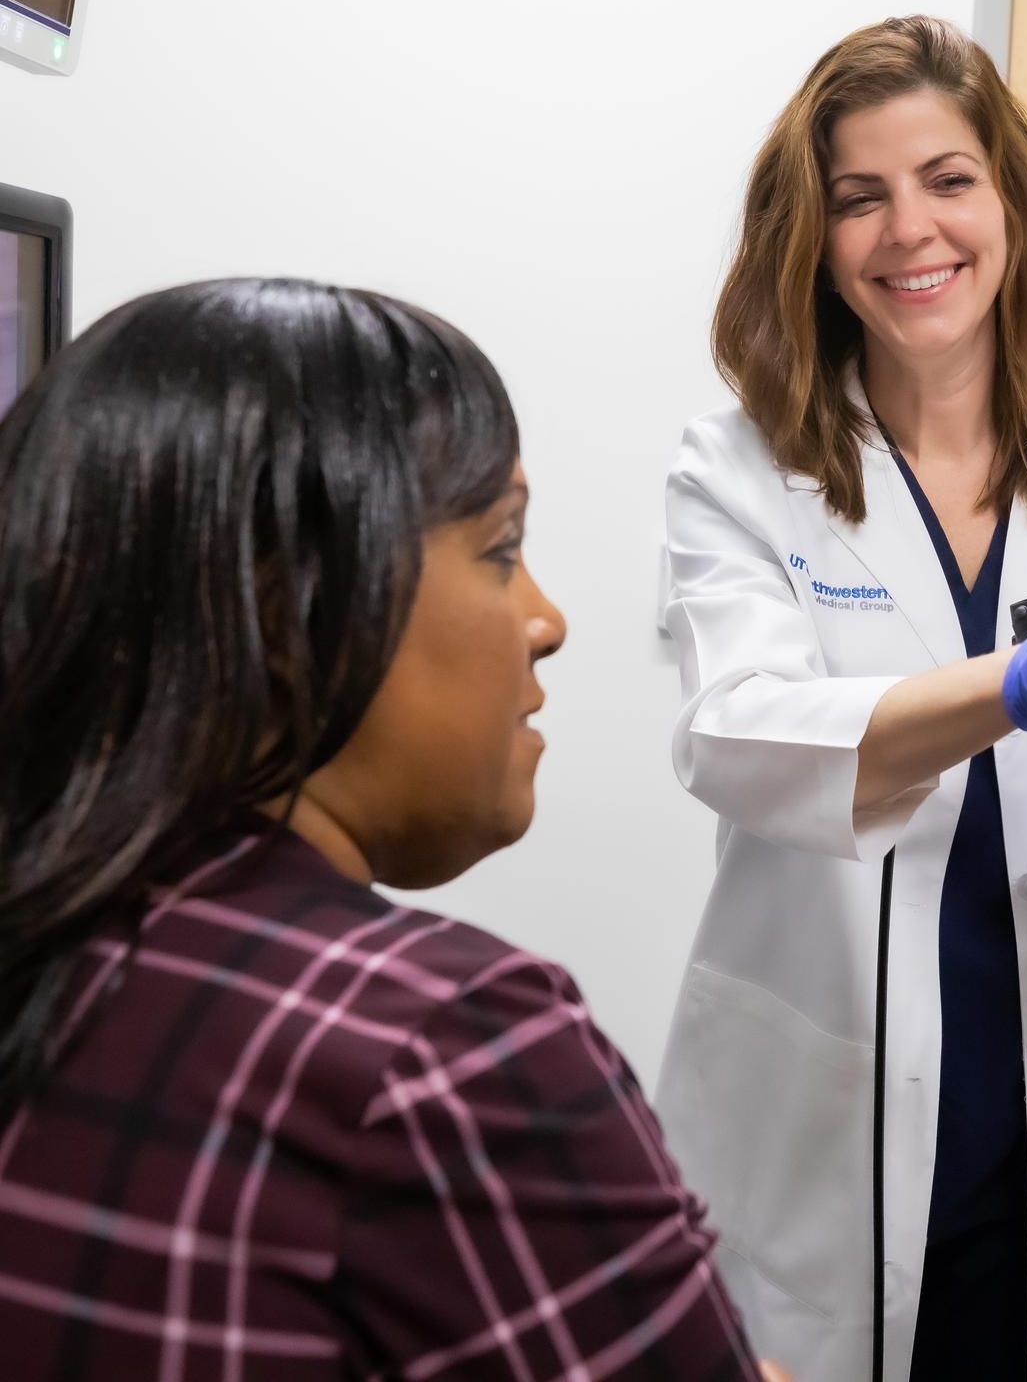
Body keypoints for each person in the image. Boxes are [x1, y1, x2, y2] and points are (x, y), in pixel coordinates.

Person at [0, 278, 777, 1381]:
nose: (545, 622)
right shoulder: (435, 1044)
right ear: (287, 613)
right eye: (503, 548)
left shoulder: (61, 943)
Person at [653, 15, 1027, 1382]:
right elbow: (736, 732)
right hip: (812, 1116)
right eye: (861, 197)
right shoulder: (738, 466)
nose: (910, 230)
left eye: (948, 180)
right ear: (814, 235)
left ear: (1012, 204)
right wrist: (1009, 688)